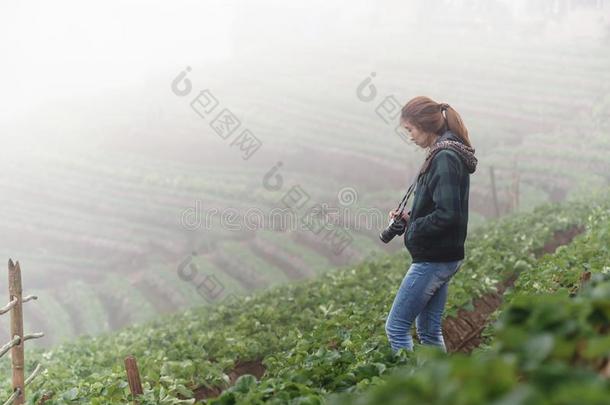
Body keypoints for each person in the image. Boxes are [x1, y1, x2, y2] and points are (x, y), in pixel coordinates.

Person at [384, 96, 478, 354]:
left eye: (410, 130)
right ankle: (441, 389)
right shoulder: (446, 151)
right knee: (428, 329)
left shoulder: (444, 157)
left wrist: (414, 227)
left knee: (396, 328)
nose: (410, 137)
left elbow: (449, 214)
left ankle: (416, 391)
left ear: (424, 125)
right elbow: (443, 207)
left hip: (434, 258)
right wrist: (409, 218)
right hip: (444, 255)